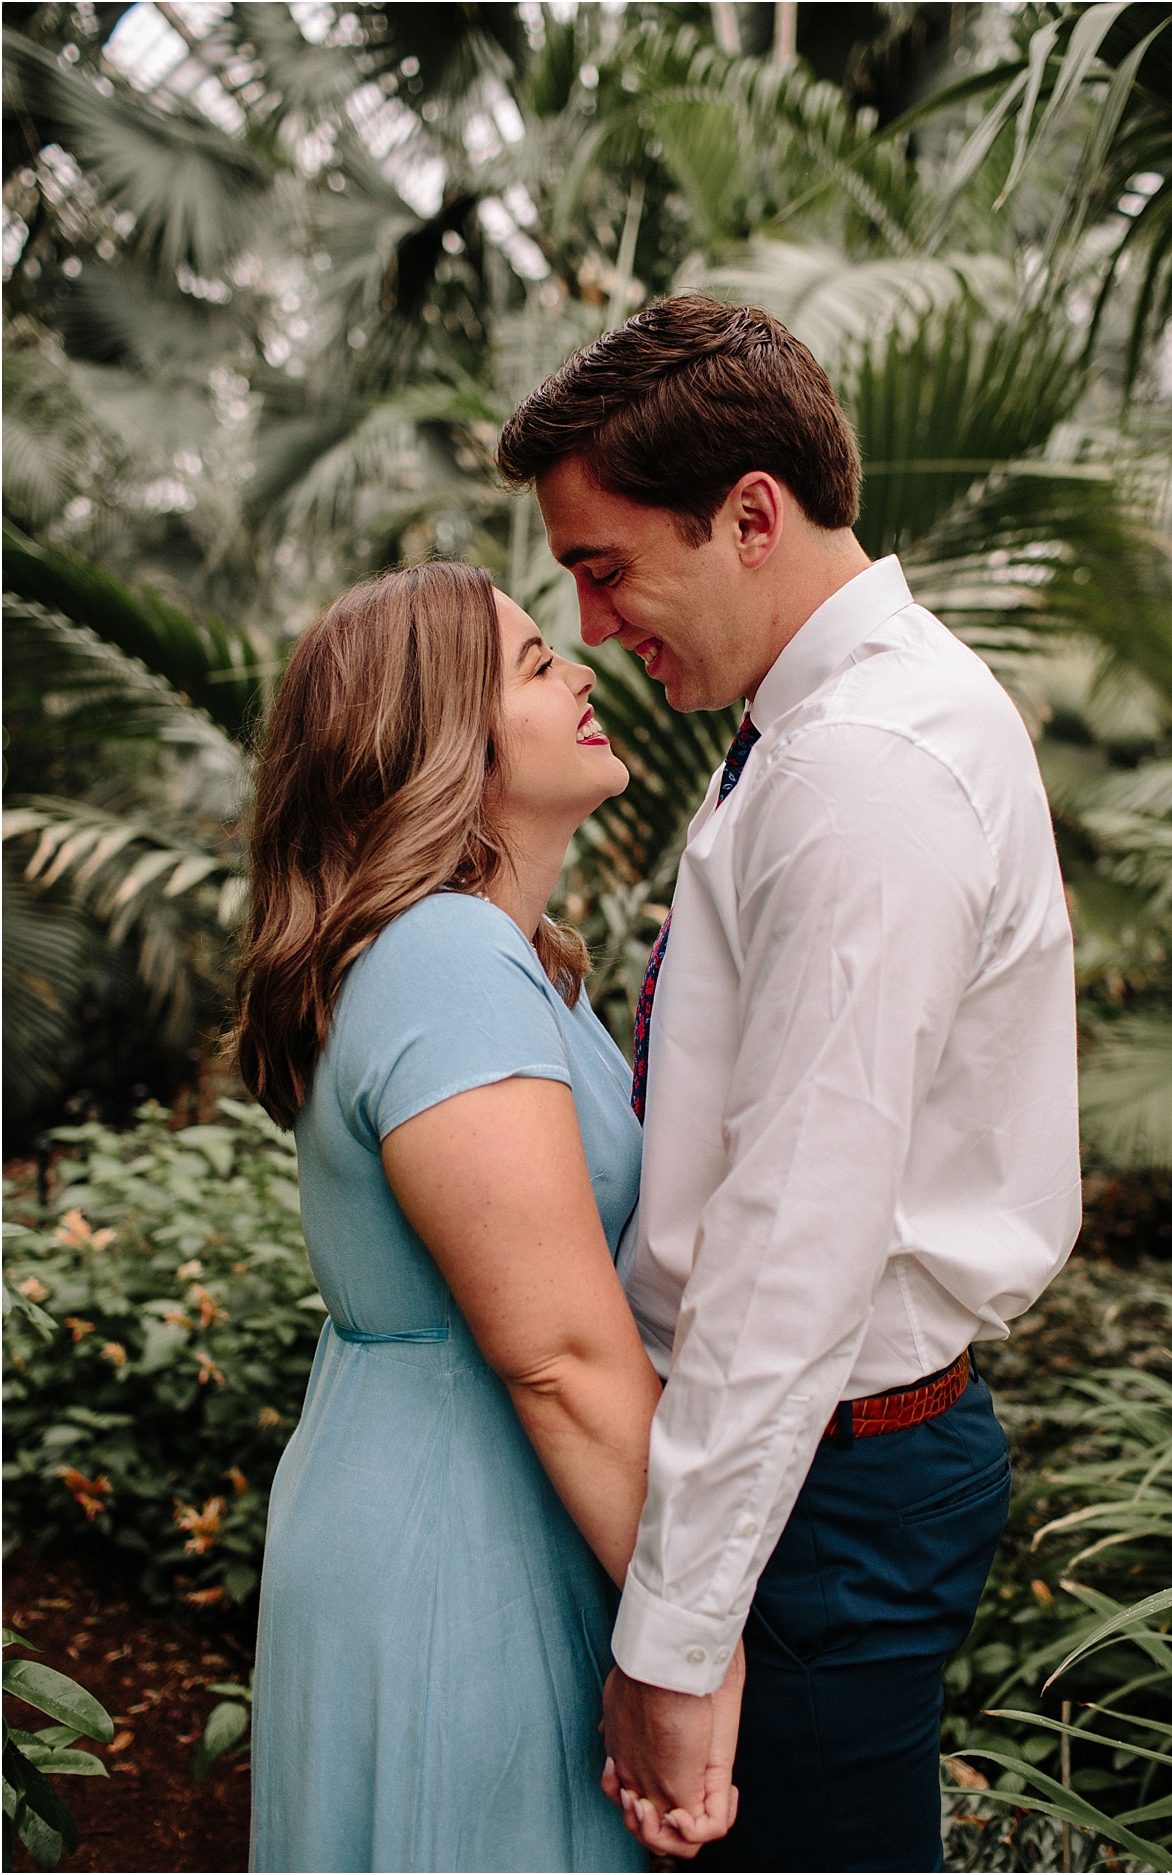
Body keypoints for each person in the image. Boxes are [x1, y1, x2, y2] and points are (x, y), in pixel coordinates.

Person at [494, 294, 1081, 1870]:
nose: (599, 626)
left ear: (750, 516)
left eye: (606, 569)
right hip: (814, 1471)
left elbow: (793, 1236)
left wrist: (674, 1646)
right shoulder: (821, 733)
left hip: (821, 1487)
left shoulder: (864, 765)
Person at [238, 562, 657, 1871]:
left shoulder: (508, 956)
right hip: (465, 1534)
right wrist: (703, 1630)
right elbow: (561, 1359)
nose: (585, 671)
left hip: (433, 1485)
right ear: (441, 747)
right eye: (537, 665)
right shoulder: (447, 954)